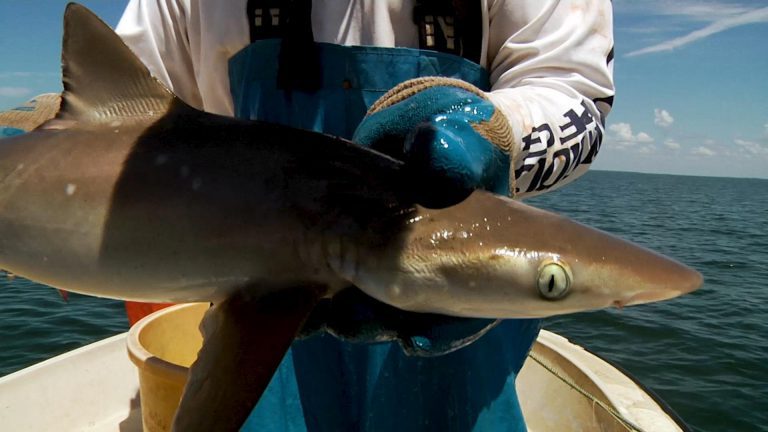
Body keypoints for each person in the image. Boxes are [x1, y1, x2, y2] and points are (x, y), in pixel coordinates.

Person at [2, 1, 614, 430]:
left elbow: (574, 91)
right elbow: (122, 111)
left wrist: (500, 136)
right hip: (268, 341)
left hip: (460, 346)